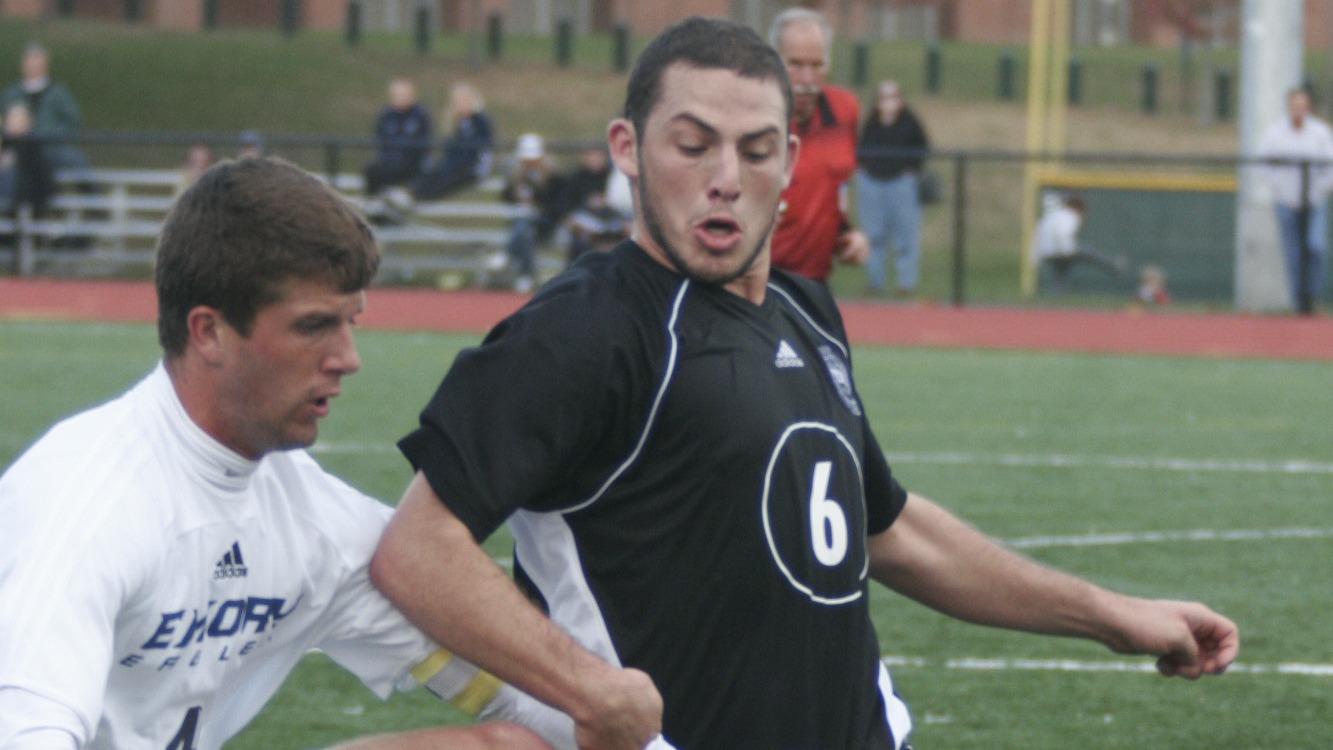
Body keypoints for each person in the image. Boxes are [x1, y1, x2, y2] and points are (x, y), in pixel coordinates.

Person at [369, 16, 1239, 750]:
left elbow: (886, 530)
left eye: (754, 151)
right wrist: (590, 689)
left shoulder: (807, 309)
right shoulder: (586, 327)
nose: (724, 178)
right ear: (626, 149)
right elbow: (418, 550)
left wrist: (1110, 615)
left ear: (788, 160)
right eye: (692, 144)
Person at [0, 156, 570, 750]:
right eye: (314, 326)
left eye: (350, 323)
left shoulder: (311, 518)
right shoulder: (80, 508)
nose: (348, 357)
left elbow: (515, 693)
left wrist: (617, 715)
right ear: (209, 332)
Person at [767, 7, 869, 283]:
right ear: (773, 61)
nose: (808, 79)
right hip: (758, 279)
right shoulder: (752, 117)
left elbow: (836, 187)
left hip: (815, 281)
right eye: (796, 65)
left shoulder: (845, 109)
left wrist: (847, 235)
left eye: (817, 65)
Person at [1259, 86, 1333, 314]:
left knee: (1316, 247)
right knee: (1292, 254)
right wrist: (1280, 189)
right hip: (1286, 203)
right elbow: (1264, 165)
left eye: (1303, 105)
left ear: (1309, 106)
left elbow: (1329, 167)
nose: (1298, 109)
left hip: (1314, 203)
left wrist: (1320, 190)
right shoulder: (1275, 134)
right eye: (1295, 104)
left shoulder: (1320, 133)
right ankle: (1299, 304)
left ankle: (1311, 295)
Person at [855, 80, 930, 298]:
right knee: (873, 235)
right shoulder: (871, 123)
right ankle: (874, 282)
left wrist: (911, 170)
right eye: (884, 98)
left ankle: (905, 283)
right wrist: (863, 169)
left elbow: (922, 146)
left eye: (893, 97)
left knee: (905, 236)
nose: (889, 103)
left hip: (900, 183)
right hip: (872, 183)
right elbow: (859, 146)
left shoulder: (909, 122)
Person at [0, 42, 87, 173]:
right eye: (29, 60)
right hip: (17, 151)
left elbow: (72, 119)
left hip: (50, 150)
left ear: (45, 63)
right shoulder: (11, 94)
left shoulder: (58, 93)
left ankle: (93, 194)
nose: (32, 65)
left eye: (36, 60)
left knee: (77, 161)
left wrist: (54, 135)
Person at [499, 133, 566, 293]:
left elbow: (558, 205)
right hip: (522, 222)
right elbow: (505, 197)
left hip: (545, 222)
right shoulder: (517, 176)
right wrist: (517, 194)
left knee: (524, 229)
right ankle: (526, 275)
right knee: (524, 232)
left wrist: (537, 204)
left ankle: (508, 253)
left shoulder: (554, 177)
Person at [412, 82, 495, 201]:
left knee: (443, 181)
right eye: (457, 102)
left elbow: (479, 149)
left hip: (469, 168)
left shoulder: (480, 121)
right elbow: (449, 149)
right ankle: (409, 198)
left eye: (464, 101)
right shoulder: (456, 123)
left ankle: (417, 199)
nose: (460, 105)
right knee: (430, 176)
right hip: (452, 166)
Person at [1031, 192, 1126, 292]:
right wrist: (1067, 251)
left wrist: (1035, 259)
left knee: (1061, 273)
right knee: (1090, 252)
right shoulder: (1069, 215)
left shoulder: (1048, 217)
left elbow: (1036, 237)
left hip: (1047, 253)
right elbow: (1061, 233)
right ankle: (1113, 266)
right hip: (1061, 251)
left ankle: (1055, 293)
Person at [363, 77, 432, 199]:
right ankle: (375, 207)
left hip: (412, 165)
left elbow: (423, 145)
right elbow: (380, 139)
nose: (400, 98)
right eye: (397, 95)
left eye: (404, 95)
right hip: (389, 161)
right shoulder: (386, 115)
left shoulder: (420, 115)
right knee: (371, 171)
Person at [0, 101, 55, 218]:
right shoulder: (5, 142)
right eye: (10, 119)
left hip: (27, 199)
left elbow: (40, 180)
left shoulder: (32, 146)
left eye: (17, 120)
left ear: (27, 123)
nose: (12, 123)